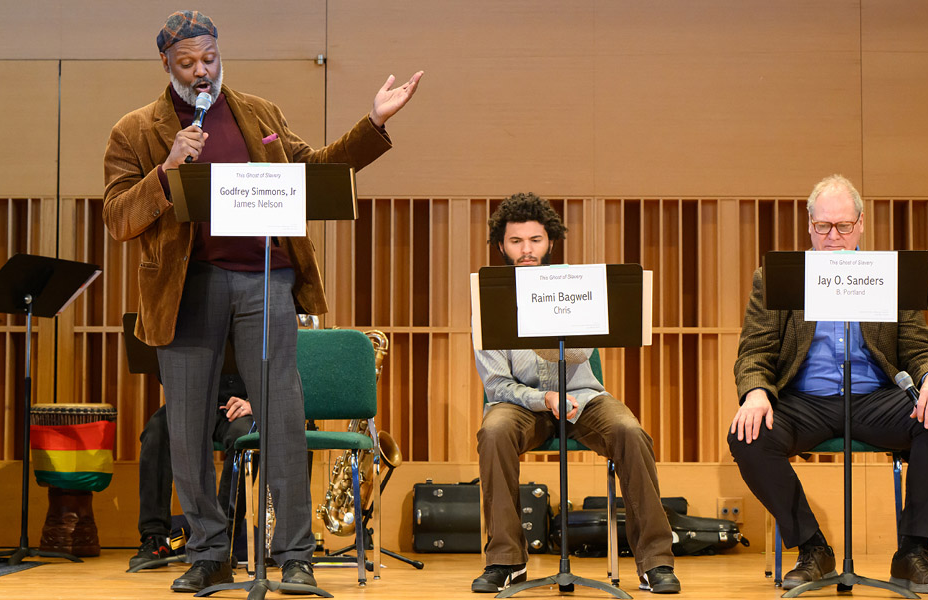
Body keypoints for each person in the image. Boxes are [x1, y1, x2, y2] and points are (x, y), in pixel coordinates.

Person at [103, 10, 422, 593]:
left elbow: (314, 170)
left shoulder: (259, 113)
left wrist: (373, 122)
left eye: (210, 60)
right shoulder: (137, 130)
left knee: (281, 416)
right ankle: (208, 552)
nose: (202, 73)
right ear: (167, 65)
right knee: (187, 425)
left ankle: (294, 554)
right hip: (186, 286)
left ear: (221, 53)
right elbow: (118, 217)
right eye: (188, 64)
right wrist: (168, 167)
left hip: (266, 279)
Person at [729, 174, 928, 594]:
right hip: (805, 400)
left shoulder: (886, 275)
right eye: (823, 226)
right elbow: (755, 352)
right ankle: (812, 548)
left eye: (843, 226)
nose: (833, 237)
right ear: (809, 225)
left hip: (876, 399)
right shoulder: (777, 277)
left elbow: (917, 346)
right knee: (747, 435)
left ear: (860, 225)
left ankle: (912, 553)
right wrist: (754, 392)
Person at [471, 193, 680, 594]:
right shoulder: (488, 295)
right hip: (520, 403)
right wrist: (542, 399)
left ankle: (654, 562)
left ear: (550, 242)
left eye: (535, 240)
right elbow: (497, 384)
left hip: (582, 396)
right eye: (516, 241)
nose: (526, 250)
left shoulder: (574, 283)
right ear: (502, 245)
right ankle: (505, 560)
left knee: (630, 432)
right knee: (493, 432)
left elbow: (584, 352)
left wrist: (560, 310)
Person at [129, 374, 253, 570]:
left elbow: (278, 367)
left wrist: (253, 403)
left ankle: (224, 539)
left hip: (239, 407)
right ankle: (155, 537)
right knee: (156, 430)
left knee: (244, 437)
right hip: (192, 403)